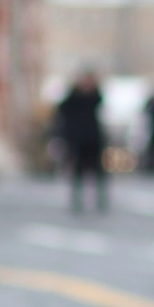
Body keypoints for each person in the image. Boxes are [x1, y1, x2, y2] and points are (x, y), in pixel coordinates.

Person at [56, 71, 107, 212]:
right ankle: (76, 201)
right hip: (77, 140)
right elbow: (62, 113)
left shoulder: (94, 97)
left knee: (98, 172)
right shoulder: (71, 99)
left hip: (93, 139)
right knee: (77, 171)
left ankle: (101, 200)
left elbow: (99, 100)